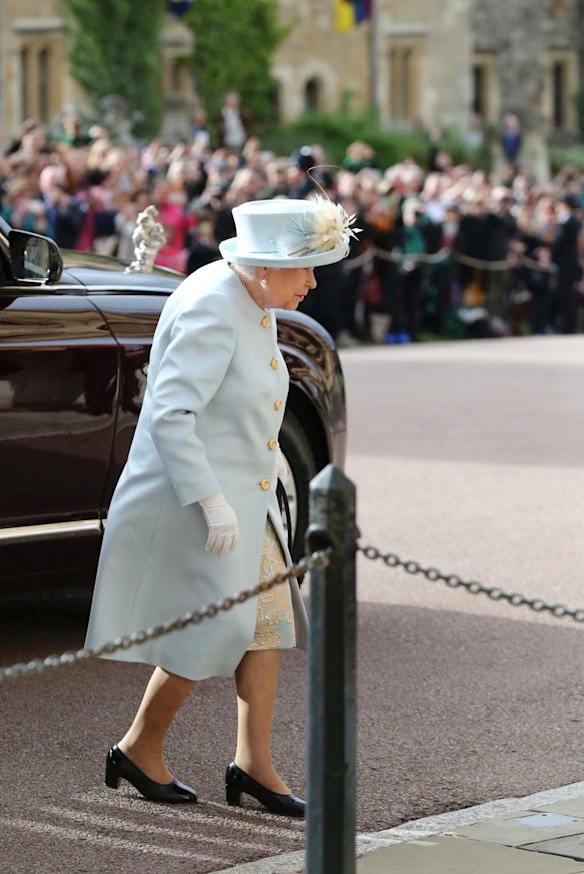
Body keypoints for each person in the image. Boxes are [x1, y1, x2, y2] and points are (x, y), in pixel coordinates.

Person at [84, 197, 358, 816]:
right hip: (192, 499)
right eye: (307, 268)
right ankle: (138, 746)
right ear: (266, 265)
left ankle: (253, 765)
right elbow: (170, 415)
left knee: (266, 626)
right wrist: (211, 502)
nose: (313, 282)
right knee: (215, 627)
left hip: (238, 498)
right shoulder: (216, 303)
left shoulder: (248, 294)